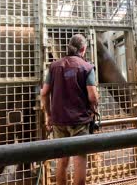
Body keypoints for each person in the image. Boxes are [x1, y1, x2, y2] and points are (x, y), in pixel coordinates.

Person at [40, 34, 99, 185]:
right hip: (80, 121)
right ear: (83, 49)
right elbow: (93, 96)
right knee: (79, 160)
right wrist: (93, 109)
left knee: (62, 161)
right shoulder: (86, 67)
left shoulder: (54, 67)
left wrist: (48, 115)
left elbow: (44, 93)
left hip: (59, 120)